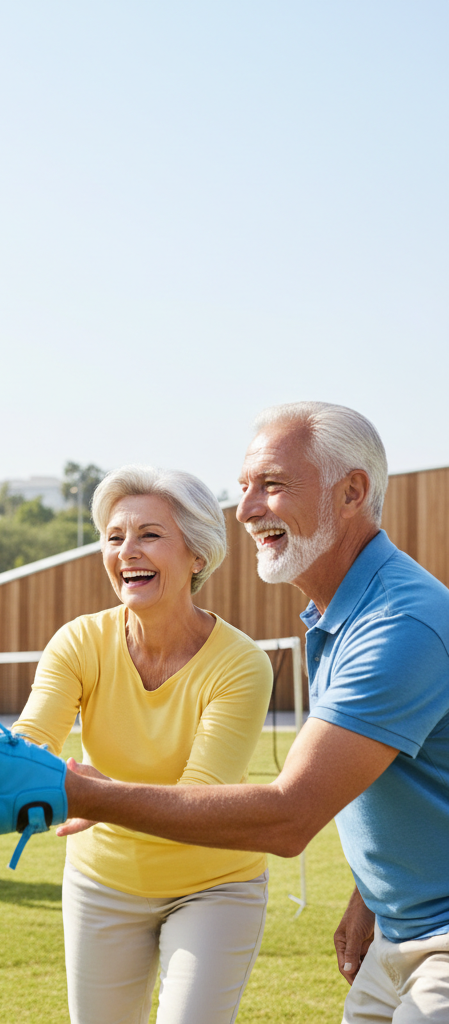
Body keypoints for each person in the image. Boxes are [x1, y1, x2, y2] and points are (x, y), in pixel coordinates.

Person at [61, 403, 449, 1023]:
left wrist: (89, 797)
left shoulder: (396, 625)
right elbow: (401, 774)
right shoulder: (343, 614)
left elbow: (288, 818)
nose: (243, 511)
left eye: (271, 486)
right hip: (401, 933)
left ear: (351, 492)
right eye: (243, 489)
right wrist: (370, 895)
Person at [12, 465, 274, 1024]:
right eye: (114, 537)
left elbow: (199, 801)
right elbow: (32, 739)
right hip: (101, 880)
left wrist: (100, 797)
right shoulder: (80, 641)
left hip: (215, 885)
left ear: (197, 554)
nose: (126, 550)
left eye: (149, 535)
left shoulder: (241, 663)